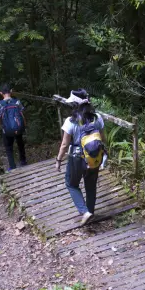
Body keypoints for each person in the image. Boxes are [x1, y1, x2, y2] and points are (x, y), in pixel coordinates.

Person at [55, 89, 105, 225]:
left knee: (71, 183)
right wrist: (105, 155)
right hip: (94, 155)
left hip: (76, 157)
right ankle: (90, 213)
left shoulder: (70, 121)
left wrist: (58, 160)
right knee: (91, 185)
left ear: (75, 105)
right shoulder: (97, 117)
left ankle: (85, 212)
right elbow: (103, 138)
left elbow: (65, 144)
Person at [0, 83, 27, 171]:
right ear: (11, 91)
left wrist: (1, 125)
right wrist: (23, 125)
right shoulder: (17, 102)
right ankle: (23, 162)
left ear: (1, 93)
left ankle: (12, 167)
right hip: (18, 127)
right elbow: (22, 115)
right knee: (20, 144)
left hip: (7, 130)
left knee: (9, 148)